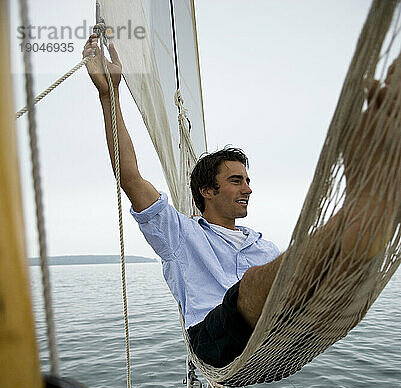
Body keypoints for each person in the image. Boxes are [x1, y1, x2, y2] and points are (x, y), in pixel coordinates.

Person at [83, 35, 398, 369]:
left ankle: (361, 236)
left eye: (248, 181)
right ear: (207, 190)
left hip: (281, 342)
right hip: (214, 340)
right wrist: (109, 93)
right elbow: (130, 176)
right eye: (236, 181)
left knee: (338, 293)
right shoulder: (179, 233)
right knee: (255, 284)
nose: (247, 188)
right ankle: (356, 216)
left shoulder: (263, 246)